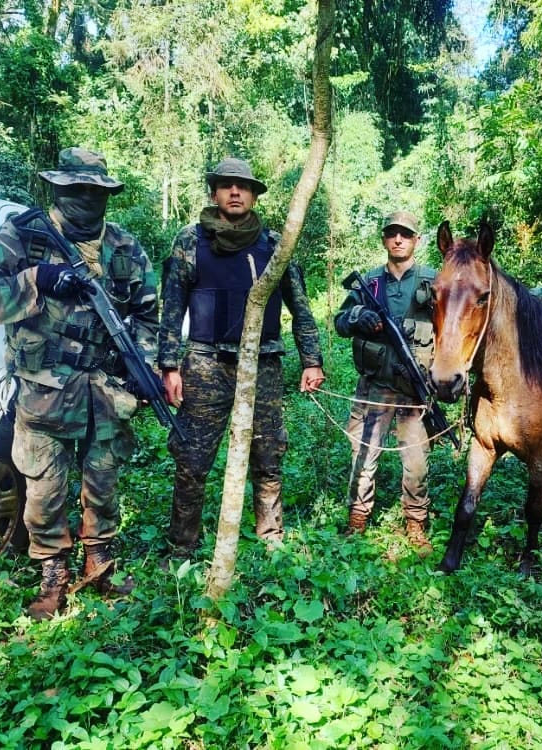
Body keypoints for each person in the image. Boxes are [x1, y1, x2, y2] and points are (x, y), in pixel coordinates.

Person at [0, 147, 159, 620]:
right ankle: (53, 572)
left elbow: (149, 313)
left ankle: (101, 562)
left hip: (105, 391)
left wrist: (143, 365)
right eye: (75, 189)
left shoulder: (125, 248)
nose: (85, 199)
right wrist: (37, 280)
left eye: (94, 191)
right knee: (44, 490)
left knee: (104, 483)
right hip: (42, 392)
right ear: (58, 188)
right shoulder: (24, 238)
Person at [158, 157, 325, 557]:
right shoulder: (190, 240)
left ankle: (270, 539)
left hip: (263, 363)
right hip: (204, 363)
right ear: (214, 192)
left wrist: (311, 360)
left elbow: (299, 306)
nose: (235, 192)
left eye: (243, 186)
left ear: (253, 194)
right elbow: (173, 305)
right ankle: (182, 547)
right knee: (192, 459)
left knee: (268, 456)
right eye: (227, 185)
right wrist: (168, 365)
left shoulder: (273, 243)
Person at [334, 210, 437, 554]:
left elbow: (457, 324)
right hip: (375, 386)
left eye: (405, 235)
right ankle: (358, 518)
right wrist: (358, 316)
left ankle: (415, 522)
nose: (398, 240)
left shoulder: (433, 282)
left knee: (416, 459)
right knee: (362, 453)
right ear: (383, 239)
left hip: (414, 389)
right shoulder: (370, 282)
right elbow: (340, 321)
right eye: (392, 233)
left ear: (416, 241)